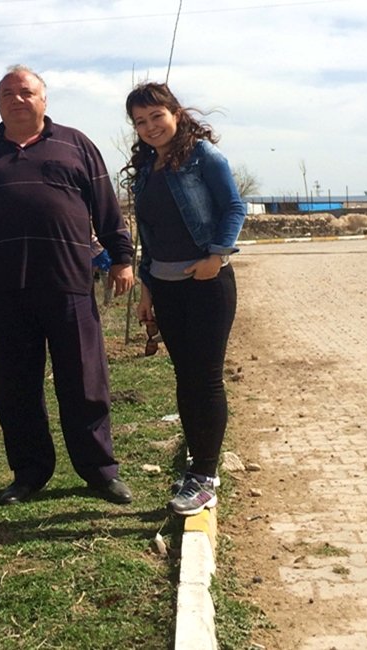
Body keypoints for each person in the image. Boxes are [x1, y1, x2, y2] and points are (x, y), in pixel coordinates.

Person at [0, 65, 136, 506]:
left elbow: (106, 207)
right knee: (16, 387)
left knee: (84, 382)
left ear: (44, 99)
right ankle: (29, 473)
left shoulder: (76, 145)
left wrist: (122, 258)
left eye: (26, 92)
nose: (17, 99)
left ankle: (99, 471)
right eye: (7, 93)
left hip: (70, 286)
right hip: (6, 291)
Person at [122, 82, 246, 516]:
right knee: (184, 377)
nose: (150, 126)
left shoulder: (202, 157)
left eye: (157, 116)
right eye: (140, 121)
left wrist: (217, 256)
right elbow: (150, 238)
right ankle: (196, 468)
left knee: (206, 378)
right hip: (166, 287)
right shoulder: (146, 171)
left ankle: (205, 478)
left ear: (175, 112)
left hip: (207, 285)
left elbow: (234, 207)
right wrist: (147, 289)